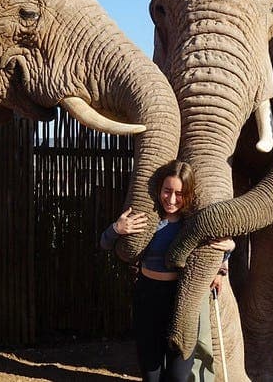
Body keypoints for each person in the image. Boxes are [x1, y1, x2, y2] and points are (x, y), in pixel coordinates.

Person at [100, 160, 233, 382]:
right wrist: (116, 228)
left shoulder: (194, 224)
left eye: (179, 193)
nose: (171, 200)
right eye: (167, 191)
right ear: (159, 190)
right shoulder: (148, 219)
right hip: (147, 297)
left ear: (188, 194)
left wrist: (228, 252)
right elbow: (104, 244)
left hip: (181, 301)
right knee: (151, 376)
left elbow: (215, 251)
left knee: (178, 377)